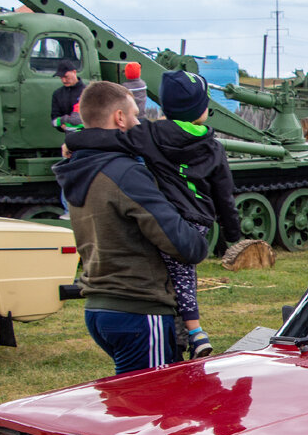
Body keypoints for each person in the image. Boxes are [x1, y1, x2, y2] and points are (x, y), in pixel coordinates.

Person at [65, 70, 240, 358]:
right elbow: (223, 198)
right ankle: (195, 331)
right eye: (134, 114)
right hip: (142, 303)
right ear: (119, 118)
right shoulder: (210, 147)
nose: (138, 120)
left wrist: (74, 142)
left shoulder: (142, 140)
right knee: (156, 395)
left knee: (129, 394)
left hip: (100, 302)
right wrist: (229, 236)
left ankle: (193, 330)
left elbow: (110, 140)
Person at [51, 60, 85, 133]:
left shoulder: (88, 92)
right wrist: (65, 127)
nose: (64, 80)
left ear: (74, 72)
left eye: (66, 77)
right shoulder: (57, 94)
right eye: (61, 77)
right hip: (68, 135)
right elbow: (54, 117)